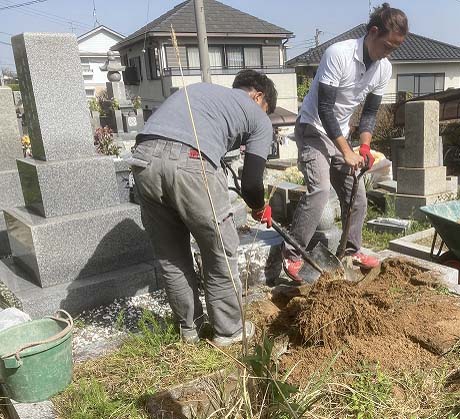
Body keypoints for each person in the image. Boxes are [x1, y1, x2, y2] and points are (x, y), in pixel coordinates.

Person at [129, 70, 277, 346]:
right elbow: (252, 184)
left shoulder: (204, 93)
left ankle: (189, 329)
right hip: (190, 161)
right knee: (219, 248)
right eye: (266, 108)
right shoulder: (258, 116)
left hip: (143, 159)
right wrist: (259, 207)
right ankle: (229, 331)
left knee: (171, 254)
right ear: (258, 97)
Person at [283, 3, 408, 282]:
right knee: (319, 190)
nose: (389, 52)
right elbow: (325, 108)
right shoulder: (338, 54)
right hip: (313, 128)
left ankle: (351, 251)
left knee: (358, 196)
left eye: (394, 48)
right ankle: (291, 254)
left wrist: (363, 148)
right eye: (387, 45)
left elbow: (371, 113)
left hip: (340, 134)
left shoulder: (383, 69)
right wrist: (346, 151)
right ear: (373, 32)